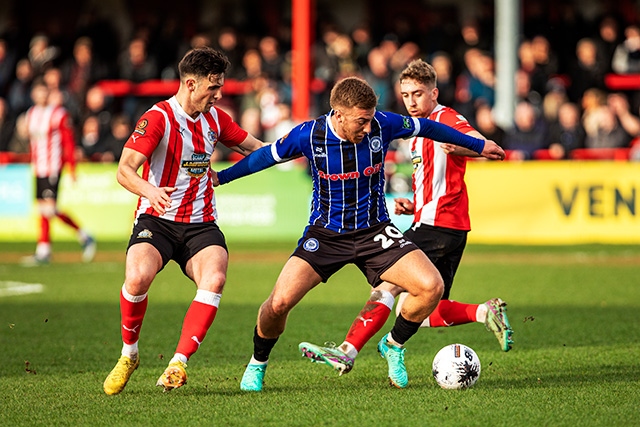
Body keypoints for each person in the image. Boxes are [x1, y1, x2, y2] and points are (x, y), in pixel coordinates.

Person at [213, 76, 505, 391]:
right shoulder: (309, 135)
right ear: (338, 115)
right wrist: (222, 177)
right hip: (325, 235)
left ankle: (393, 344)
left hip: (375, 232)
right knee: (278, 303)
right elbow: (264, 156)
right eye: (360, 122)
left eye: (369, 120)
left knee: (431, 286)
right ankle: (258, 364)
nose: (367, 128)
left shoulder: (384, 123)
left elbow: (430, 128)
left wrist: (479, 144)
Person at [298, 59, 513, 382]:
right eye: (406, 94)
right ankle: (483, 312)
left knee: (390, 284)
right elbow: (439, 180)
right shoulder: (413, 131)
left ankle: (349, 350)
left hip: (438, 224)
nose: (411, 101)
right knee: (425, 307)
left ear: (434, 92)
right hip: (441, 222)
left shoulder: (445, 118)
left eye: (418, 93)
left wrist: (469, 148)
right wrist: (414, 205)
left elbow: (476, 143)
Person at [102, 47, 265, 395]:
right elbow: (124, 170)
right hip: (157, 219)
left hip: (201, 223)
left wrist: (300, 148)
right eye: (213, 87)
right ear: (190, 84)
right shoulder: (159, 117)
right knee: (137, 276)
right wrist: (149, 189)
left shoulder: (216, 120)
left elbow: (257, 148)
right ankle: (129, 354)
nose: (218, 94)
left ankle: (178, 363)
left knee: (215, 277)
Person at [20, 80, 96, 265]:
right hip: (38, 167)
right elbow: (32, 142)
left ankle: (83, 236)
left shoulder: (57, 114)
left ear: (48, 94)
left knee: (50, 208)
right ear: (33, 95)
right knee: (43, 209)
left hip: (52, 166)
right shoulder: (31, 114)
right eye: (38, 92)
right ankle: (44, 249)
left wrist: (71, 167)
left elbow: (68, 141)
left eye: (44, 92)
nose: (41, 96)